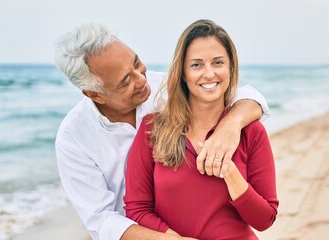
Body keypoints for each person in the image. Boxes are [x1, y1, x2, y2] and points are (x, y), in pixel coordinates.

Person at [54, 23, 269, 240]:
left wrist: (230, 126)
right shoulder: (73, 138)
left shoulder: (169, 86)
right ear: (95, 94)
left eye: (137, 63)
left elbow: (244, 96)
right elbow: (102, 221)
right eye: (125, 81)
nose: (141, 79)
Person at [124, 19, 278, 239]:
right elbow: (137, 209)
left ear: (231, 68)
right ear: (183, 74)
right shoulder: (152, 129)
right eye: (196, 65)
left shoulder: (251, 133)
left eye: (218, 63)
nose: (209, 74)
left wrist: (229, 172)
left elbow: (265, 220)